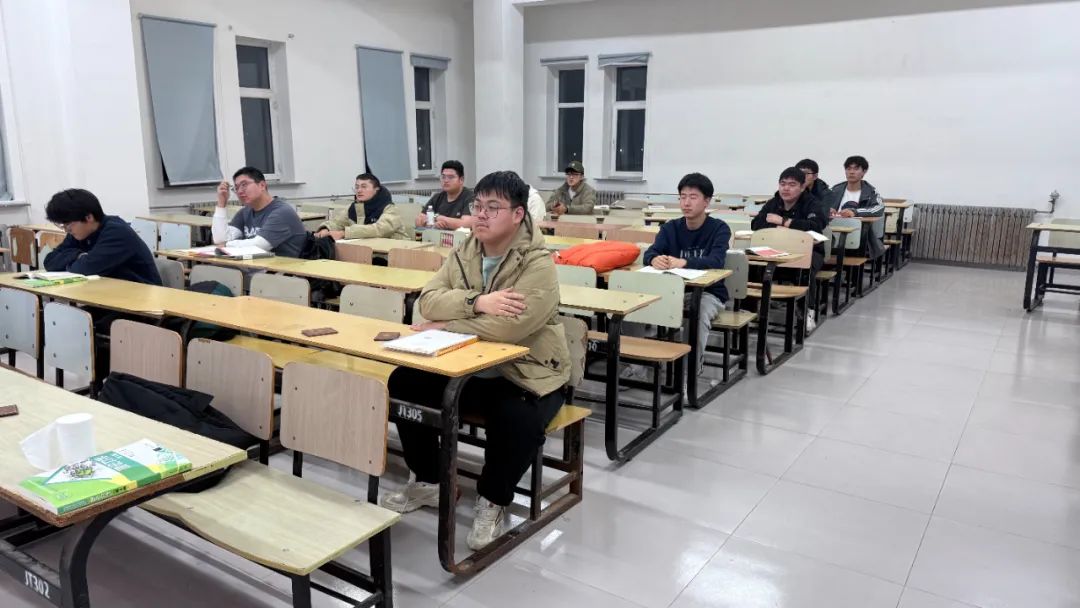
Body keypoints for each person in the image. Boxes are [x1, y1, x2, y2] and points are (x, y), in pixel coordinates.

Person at [379, 170, 570, 551]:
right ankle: (430, 480)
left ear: (518, 214)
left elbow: (511, 328)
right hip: (468, 365)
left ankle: (494, 498)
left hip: (526, 371)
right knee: (404, 382)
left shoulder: (538, 262)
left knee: (515, 417)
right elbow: (427, 300)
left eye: (493, 208)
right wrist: (478, 302)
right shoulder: (466, 250)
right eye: (477, 205)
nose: (481, 214)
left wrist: (446, 324)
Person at [643, 172, 730, 374]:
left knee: (697, 313)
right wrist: (654, 259)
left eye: (693, 197)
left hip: (709, 293)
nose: (686, 203)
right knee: (633, 305)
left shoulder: (719, 228)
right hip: (675, 291)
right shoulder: (670, 228)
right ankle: (638, 366)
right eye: (682, 197)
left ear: (706, 201)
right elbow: (650, 252)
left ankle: (689, 373)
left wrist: (684, 262)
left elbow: (716, 260)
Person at [752, 167, 828, 331]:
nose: (786, 188)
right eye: (783, 184)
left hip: (809, 250)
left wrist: (784, 222)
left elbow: (816, 226)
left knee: (805, 268)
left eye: (792, 185)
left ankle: (807, 312)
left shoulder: (812, 203)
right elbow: (756, 224)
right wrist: (780, 228)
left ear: (802, 187)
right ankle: (751, 311)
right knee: (752, 264)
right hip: (775, 249)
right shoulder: (774, 202)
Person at [43, 189, 161, 285]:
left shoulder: (117, 232)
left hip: (143, 297)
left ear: (89, 217)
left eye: (68, 223)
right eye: (62, 225)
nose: (66, 230)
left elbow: (84, 269)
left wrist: (69, 261)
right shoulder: (78, 234)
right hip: (110, 294)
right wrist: (78, 255)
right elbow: (50, 261)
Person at [213, 167, 307, 257]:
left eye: (244, 185)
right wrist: (221, 203)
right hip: (256, 264)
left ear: (262, 185)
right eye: (236, 188)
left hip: (284, 266)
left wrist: (227, 245)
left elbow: (259, 245)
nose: (240, 191)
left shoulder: (282, 212)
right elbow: (220, 240)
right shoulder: (245, 212)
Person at [315, 173, 411, 241]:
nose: (359, 190)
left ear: (376, 189)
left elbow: (379, 230)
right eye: (357, 187)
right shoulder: (354, 207)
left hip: (395, 253)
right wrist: (325, 229)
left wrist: (344, 233)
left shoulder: (390, 209)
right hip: (368, 250)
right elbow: (337, 223)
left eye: (364, 187)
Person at [823, 155, 885, 257]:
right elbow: (820, 206)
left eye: (856, 169)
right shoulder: (835, 190)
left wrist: (855, 212)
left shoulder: (870, 192)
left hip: (859, 235)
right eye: (848, 169)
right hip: (833, 232)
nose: (851, 172)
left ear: (864, 172)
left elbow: (879, 208)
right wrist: (827, 209)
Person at [415, 160, 474, 230]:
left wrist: (437, 218)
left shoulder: (470, 197)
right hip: (438, 236)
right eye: (443, 177)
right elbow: (418, 220)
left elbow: (466, 224)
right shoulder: (437, 197)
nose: (446, 180)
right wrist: (431, 223)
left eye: (450, 177)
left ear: (461, 180)